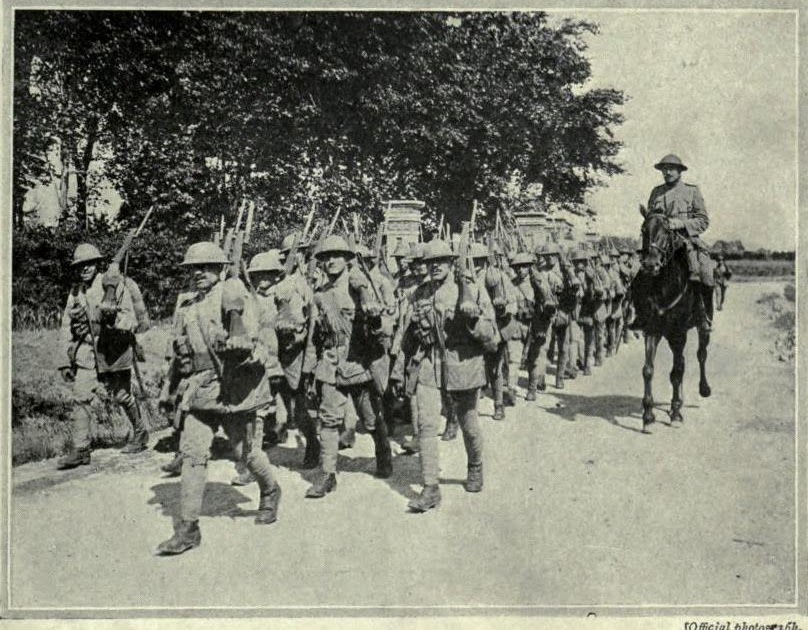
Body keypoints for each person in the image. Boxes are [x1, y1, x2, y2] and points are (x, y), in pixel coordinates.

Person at [156, 242, 281, 555]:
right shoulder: (188, 306)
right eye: (194, 269)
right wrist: (169, 388)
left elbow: (250, 333)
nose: (199, 273)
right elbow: (179, 352)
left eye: (207, 267)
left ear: (221, 268)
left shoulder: (234, 293)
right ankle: (188, 528)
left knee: (245, 452)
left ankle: (270, 489)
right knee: (193, 452)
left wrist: (237, 342)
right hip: (200, 389)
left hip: (233, 387)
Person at [391, 239, 498, 512]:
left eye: (440, 261)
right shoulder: (419, 293)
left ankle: (475, 466)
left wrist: (473, 319)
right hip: (429, 361)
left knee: (468, 421)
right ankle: (430, 488)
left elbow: (492, 338)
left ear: (452, 262)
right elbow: (406, 334)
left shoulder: (471, 290)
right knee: (426, 425)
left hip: (461, 362)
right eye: (430, 262)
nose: (435, 266)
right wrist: (399, 368)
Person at [302, 235, 393, 498]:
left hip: (359, 361)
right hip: (330, 362)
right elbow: (313, 336)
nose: (330, 261)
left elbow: (385, 326)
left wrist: (374, 321)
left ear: (347, 259)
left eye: (336, 256)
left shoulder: (363, 287)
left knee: (370, 418)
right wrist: (309, 370)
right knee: (328, 419)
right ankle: (327, 473)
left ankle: (383, 451)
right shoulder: (319, 295)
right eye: (325, 258)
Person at [56, 243, 149, 469]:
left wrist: (113, 318)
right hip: (87, 351)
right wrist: (63, 362)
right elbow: (66, 325)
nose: (84, 269)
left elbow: (131, 320)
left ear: (97, 264)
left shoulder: (114, 284)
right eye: (80, 265)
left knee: (121, 396)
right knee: (81, 397)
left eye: (88, 264)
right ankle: (80, 450)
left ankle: (140, 432)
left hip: (113, 349)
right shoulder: (76, 291)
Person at [643, 154, 715, 331]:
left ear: (679, 171)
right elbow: (651, 220)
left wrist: (681, 223)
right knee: (640, 276)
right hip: (661, 244)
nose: (667, 172)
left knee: (705, 274)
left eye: (671, 168)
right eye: (664, 169)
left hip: (687, 242)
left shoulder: (692, 191)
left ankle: (704, 315)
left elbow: (703, 221)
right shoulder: (656, 192)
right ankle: (641, 314)